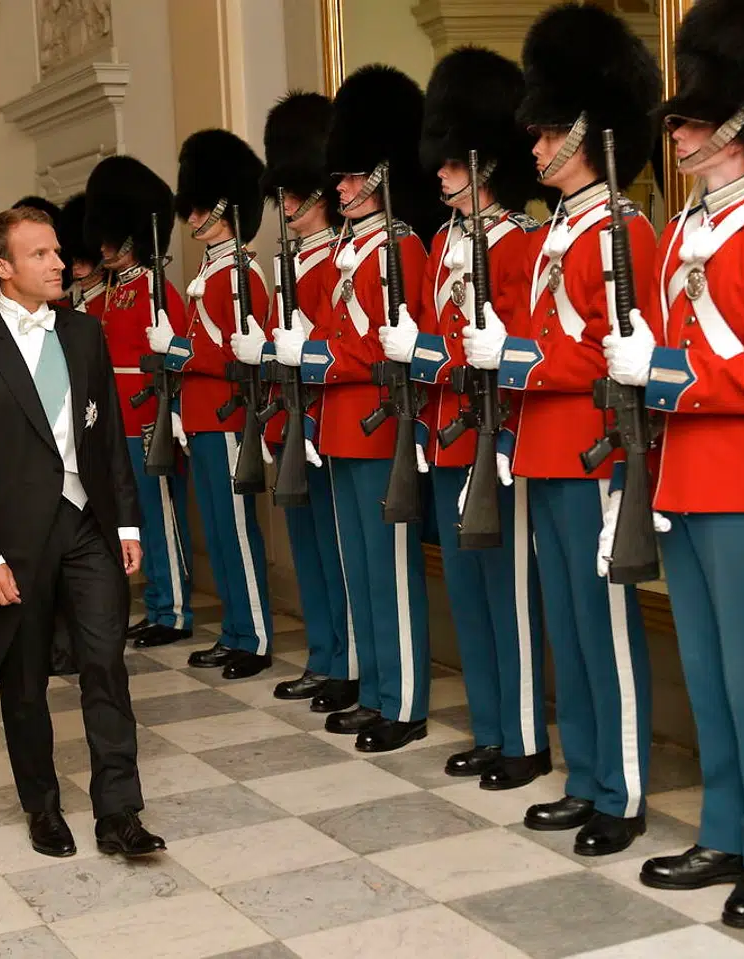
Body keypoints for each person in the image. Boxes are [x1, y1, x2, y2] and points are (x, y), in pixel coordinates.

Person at [603, 0, 744, 928]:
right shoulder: (687, 232)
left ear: (740, 126)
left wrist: (665, 373)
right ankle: (724, 826)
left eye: (697, 119)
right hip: (683, 475)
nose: (683, 132)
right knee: (705, 667)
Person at [463, 2, 660, 855]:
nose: (534, 150)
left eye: (547, 136)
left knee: (607, 629)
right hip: (542, 451)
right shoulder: (557, 235)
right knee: (570, 627)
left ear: (587, 135)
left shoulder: (623, 229)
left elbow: (604, 356)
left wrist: (514, 358)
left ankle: (622, 788)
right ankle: (585, 776)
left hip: (592, 451)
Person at [0, 204, 164, 859]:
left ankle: (119, 810)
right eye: (40, 254)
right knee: (25, 679)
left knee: (105, 665)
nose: (59, 262)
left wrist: (124, 519)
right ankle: (42, 806)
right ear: (2, 268)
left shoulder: (85, 334)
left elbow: (110, 436)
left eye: (57, 251)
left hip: (87, 522)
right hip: (14, 540)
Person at [378, 46, 551, 788]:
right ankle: (490, 726)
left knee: (510, 595)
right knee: (469, 592)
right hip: (447, 439)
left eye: (452, 161)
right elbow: (425, 325)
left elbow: (513, 345)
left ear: (483, 161)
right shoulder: (445, 240)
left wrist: (439, 354)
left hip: (493, 438)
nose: (439, 171)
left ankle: (523, 735)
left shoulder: (518, 239)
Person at [276, 64, 439, 752]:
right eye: (337, 178)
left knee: (390, 571)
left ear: (378, 175)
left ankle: (402, 699)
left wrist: (313, 358)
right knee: (360, 569)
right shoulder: (352, 249)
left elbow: (383, 350)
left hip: (377, 428)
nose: (339, 187)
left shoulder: (401, 246)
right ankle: (374, 688)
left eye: (349, 178)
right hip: (341, 429)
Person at [150, 129, 275, 680]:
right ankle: (234, 630)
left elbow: (233, 353)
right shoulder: (211, 270)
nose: (193, 216)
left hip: (226, 419)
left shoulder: (242, 272)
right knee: (218, 534)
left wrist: (174, 349)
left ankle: (256, 637)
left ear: (224, 208)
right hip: (201, 419)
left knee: (237, 531)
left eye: (201, 207)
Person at [246, 91, 357, 712]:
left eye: (296, 194)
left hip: (325, 417)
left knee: (339, 553)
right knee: (308, 547)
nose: (287, 208)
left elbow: (337, 344)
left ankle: (348, 660)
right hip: (292, 421)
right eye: (282, 195)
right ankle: (324, 653)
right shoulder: (290, 260)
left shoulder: (339, 259)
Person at [85, 156, 194, 649]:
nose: (105, 247)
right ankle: (156, 603)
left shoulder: (155, 288)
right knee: (133, 518)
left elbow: (177, 358)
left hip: (148, 419)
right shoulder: (112, 292)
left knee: (160, 516)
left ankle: (174, 610)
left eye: (114, 236)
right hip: (117, 420)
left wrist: (172, 415)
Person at [54, 193, 108, 316]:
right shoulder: (66, 299)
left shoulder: (111, 299)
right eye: (72, 260)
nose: (75, 266)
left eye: (81, 259)